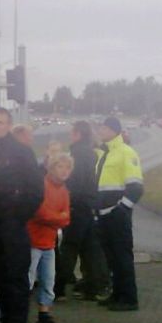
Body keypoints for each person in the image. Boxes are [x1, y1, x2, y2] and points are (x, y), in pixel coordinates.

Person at [0, 107, 44, 323]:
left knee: (15, 277)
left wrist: (17, 216)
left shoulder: (21, 152)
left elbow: (36, 191)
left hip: (13, 225)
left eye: (0, 122)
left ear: (8, 125)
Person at [54, 120, 109, 301]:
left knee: (69, 247)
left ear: (78, 133)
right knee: (90, 248)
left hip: (76, 206)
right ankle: (95, 286)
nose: (71, 135)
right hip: (89, 205)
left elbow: (74, 182)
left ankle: (59, 287)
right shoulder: (92, 154)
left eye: (72, 132)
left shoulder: (75, 154)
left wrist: (66, 201)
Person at [95, 116, 144, 311]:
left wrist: (122, 208)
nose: (101, 131)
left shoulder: (126, 153)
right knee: (112, 258)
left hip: (117, 215)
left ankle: (129, 298)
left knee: (122, 257)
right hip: (104, 215)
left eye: (104, 128)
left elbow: (136, 187)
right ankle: (117, 294)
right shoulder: (104, 154)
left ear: (114, 130)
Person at [28, 153, 73, 323]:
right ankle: (20, 316)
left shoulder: (64, 190)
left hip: (49, 241)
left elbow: (67, 217)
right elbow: (40, 213)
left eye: (67, 168)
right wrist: (58, 218)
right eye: (60, 167)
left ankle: (44, 315)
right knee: (28, 280)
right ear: (51, 168)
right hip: (33, 240)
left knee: (48, 281)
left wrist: (56, 218)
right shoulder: (42, 186)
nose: (64, 171)